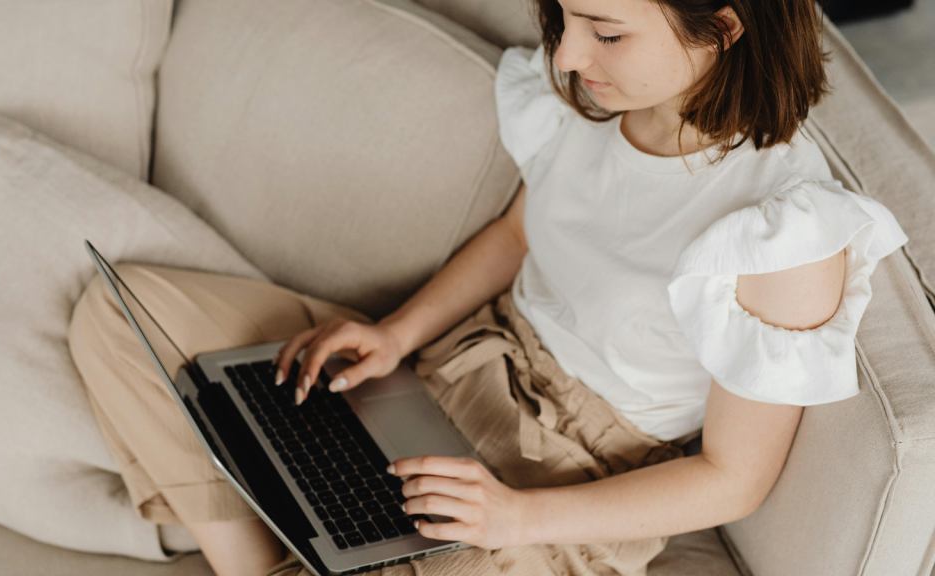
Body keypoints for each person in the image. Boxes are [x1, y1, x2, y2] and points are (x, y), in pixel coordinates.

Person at [68, 0, 908, 575]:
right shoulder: (593, 110)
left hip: (566, 487)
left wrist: (513, 519)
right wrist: (396, 334)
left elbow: (733, 479)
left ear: (723, 29)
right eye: (566, 18)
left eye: (606, 33)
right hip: (441, 373)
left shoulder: (782, 232)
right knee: (120, 314)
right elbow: (516, 235)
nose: (570, 58)